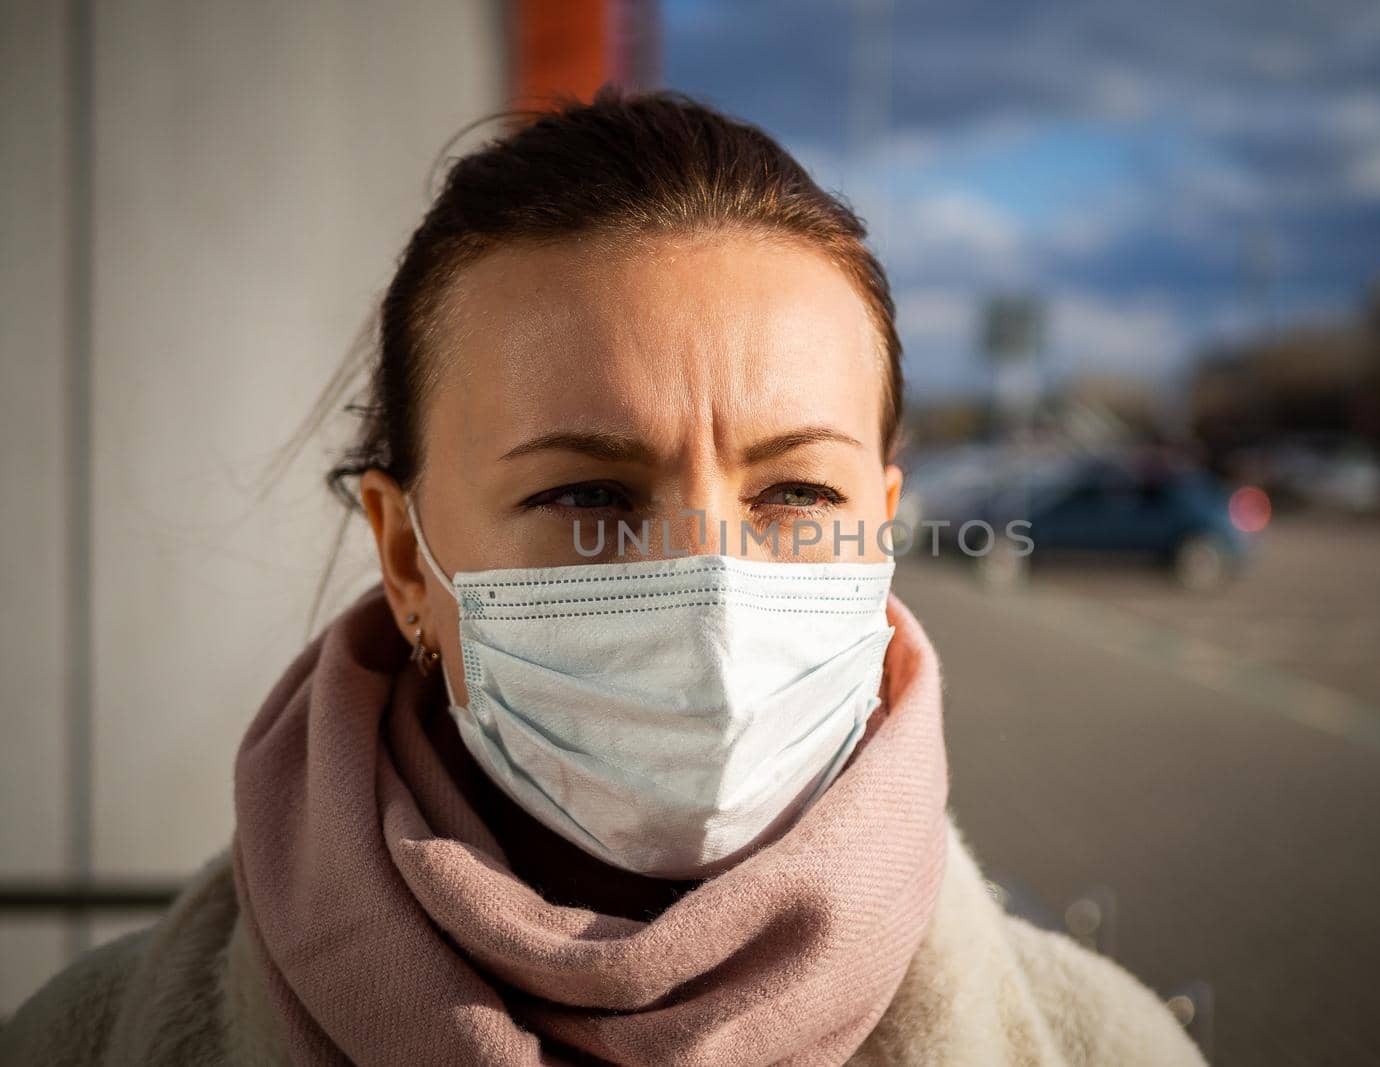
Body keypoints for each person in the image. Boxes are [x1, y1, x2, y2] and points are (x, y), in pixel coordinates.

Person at [0, 90, 1205, 1066]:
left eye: (795, 495)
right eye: (587, 495)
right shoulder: (82, 1041)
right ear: (409, 558)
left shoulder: (1107, 1047)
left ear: (880, 530)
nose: (710, 590)